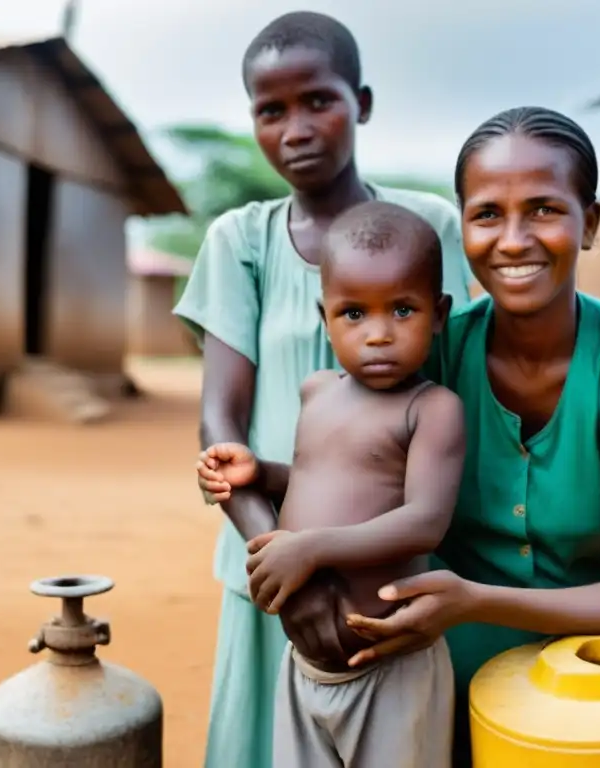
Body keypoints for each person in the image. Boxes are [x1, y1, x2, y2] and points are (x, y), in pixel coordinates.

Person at [232, 107, 600, 767]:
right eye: (486, 214)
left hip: (594, 609)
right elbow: (332, 477)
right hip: (443, 623)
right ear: (463, 228)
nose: (513, 240)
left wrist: (477, 600)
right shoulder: (426, 353)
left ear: (589, 223)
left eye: (543, 209)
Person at [173, 12, 474, 768]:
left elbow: (463, 389)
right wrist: (286, 570)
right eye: (271, 111)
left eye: (319, 101)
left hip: (394, 581)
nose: (296, 128)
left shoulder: (428, 224)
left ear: (361, 102)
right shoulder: (241, 240)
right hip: (265, 568)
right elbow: (222, 420)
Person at [197, 201, 465, 767]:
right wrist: (263, 474)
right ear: (324, 316)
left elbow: (424, 520)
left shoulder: (432, 408)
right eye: (353, 314)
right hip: (304, 666)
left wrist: (310, 549)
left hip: (389, 661)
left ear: (438, 314)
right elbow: (325, 483)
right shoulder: (317, 392)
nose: (378, 335)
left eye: (402, 310)